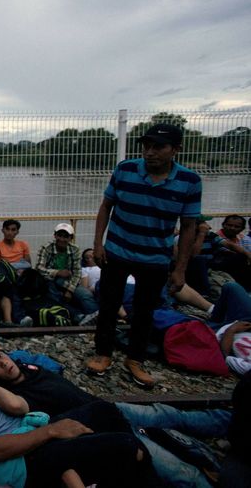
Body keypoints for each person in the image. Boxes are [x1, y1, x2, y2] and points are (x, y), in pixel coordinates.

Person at [0, 329, 229, 488]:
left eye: (0, 356)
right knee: (175, 469)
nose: (3, 363)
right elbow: (13, 405)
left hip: (110, 408)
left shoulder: (24, 364)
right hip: (102, 430)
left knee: (171, 415)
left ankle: (231, 421)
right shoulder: (18, 396)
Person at [0, 325, 147, 488]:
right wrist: (51, 431)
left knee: (103, 411)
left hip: (31, 429)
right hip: (19, 460)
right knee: (126, 447)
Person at [87, 123, 202, 389]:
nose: (150, 152)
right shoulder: (125, 170)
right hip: (117, 251)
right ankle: (103, 353)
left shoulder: (189, 181)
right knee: (108, 305)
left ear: (176, 149)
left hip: (155, 258)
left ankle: (135, 359)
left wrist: (180, 269)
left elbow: (188, 227)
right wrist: (98, 244)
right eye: (146, 146)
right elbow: (106, 207)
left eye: (158, 147)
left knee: (145, 311)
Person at [35, 223, 99, 324]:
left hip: (68, 282)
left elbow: (77, 271)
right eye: (59, 235)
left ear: (71, 238)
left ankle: (97, 316)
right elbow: (39, 268)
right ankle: (79, 317)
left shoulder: (75, 249)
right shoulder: (46, 247)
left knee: (85, 294)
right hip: (49, 280)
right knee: (55, 297)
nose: (62, 239)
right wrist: (57, 272)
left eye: (66, 236)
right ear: (55, 236)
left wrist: (70, 290)